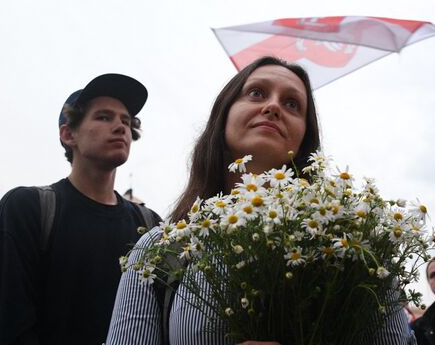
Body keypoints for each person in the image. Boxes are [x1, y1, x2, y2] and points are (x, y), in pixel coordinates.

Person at [106, 56, 415, 345]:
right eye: (255, 93)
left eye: (292, 103)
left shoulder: (357, 245)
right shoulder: (161, 250)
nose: (273, 106)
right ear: (223, 115)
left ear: (305, 138)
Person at [0, 73, 160, 345]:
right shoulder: (28, 208)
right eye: (104, 117)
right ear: (69, 134)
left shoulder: (150, 226)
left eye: (126, 121)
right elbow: (7, 322)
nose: (120, 127)